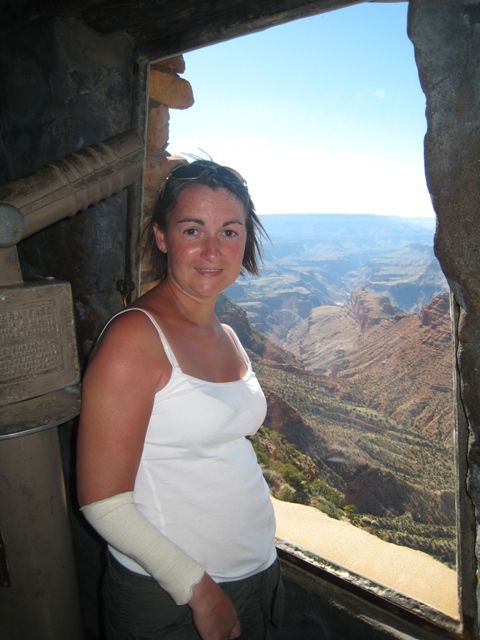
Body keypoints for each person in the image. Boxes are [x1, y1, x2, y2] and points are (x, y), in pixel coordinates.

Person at [76, 160, 284, 640]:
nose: (213, 250)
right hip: (174, 596)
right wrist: (199, 591)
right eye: (194, 229)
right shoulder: (135, 338)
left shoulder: (226, 332)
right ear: (163, 237)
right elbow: (102, 503)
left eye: (229, 232)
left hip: (255, 574)